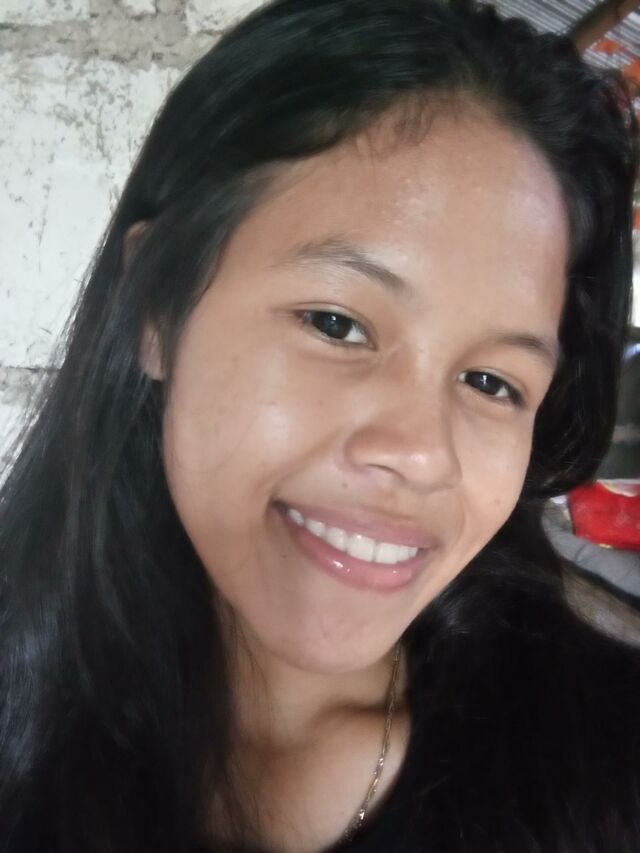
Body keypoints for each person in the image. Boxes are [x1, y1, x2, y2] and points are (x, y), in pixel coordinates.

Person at [1, 0, 639, 850]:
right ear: (157, 303)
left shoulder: (608, 779)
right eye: (337, 324)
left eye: (491, 381)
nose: (421, 452)